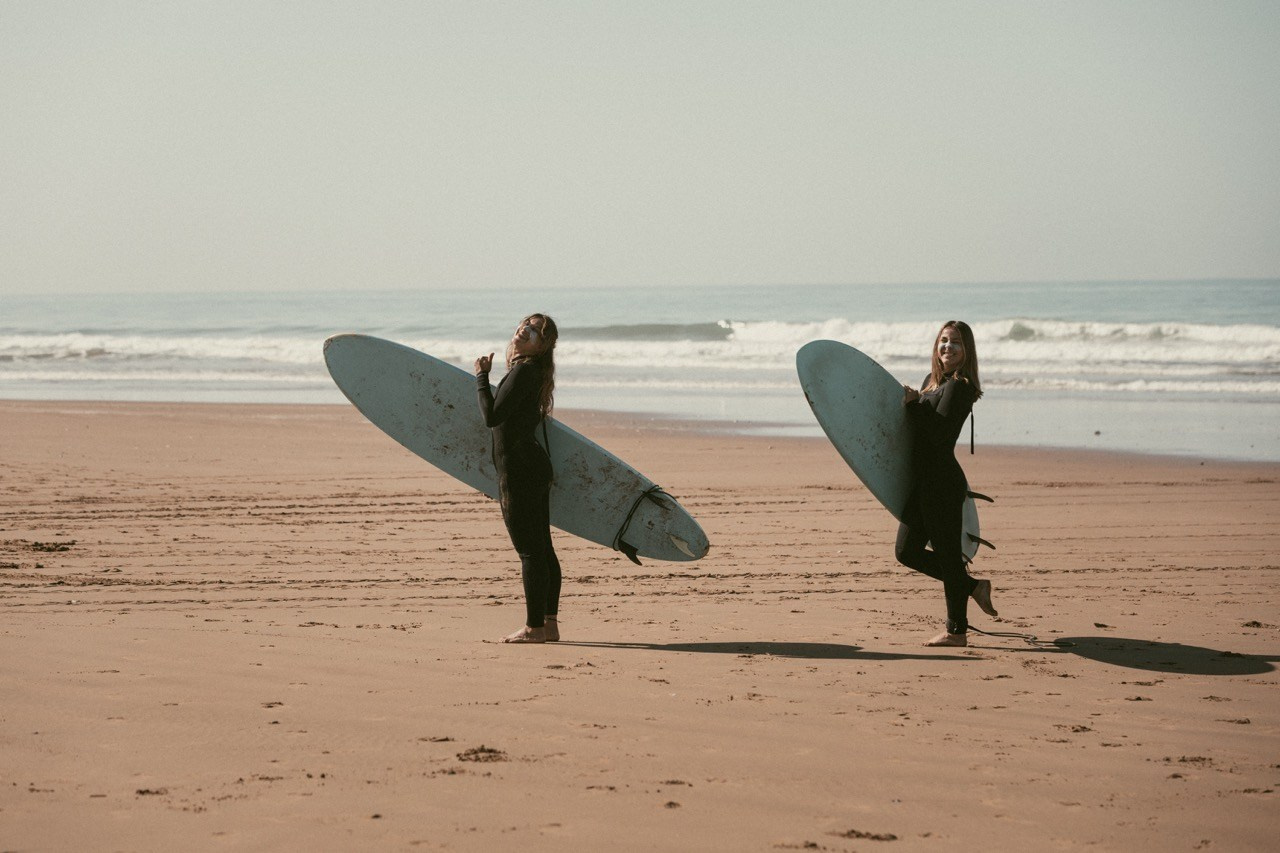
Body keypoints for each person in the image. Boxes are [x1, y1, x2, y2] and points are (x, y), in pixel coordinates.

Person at [895, 320, 998, 647]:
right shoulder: (932, 381)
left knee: (949, 557)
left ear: (967, 351)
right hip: (922, 482)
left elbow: (938, 436)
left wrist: (914, 406)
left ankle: (957, 631)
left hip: (941, 483)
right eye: (943, 340)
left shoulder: (960, 386)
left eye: (955, 342)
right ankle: (973, 587)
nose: (947, 347)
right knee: (906, 552)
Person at [474, 314, 562, 644]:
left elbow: (492, 416)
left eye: (535, 330)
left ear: (543, 345)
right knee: (543, 549)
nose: (525, 329)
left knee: (530, 553)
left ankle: (533, 628)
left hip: (520, 471)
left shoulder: (524, 371)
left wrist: (481, 378)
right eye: (526, 323)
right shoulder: (533, 372)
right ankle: (549, 624)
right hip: (533, 468)